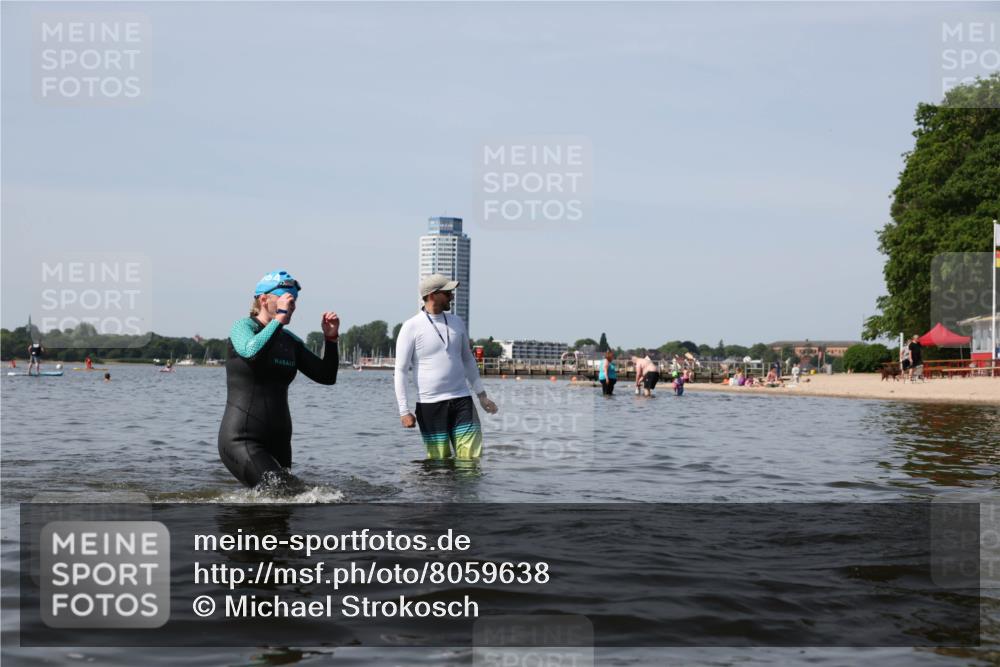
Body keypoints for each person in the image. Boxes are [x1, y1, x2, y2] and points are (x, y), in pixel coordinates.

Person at [217, 270, 340, 489]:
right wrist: (278, 321)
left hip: (280, 442)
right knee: (283, 492)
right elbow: (251, 351)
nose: (291, 306)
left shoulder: (289, 341)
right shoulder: (243, 328)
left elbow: (326, 376)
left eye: (293, 302)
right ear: (264, 300)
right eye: (286, 300)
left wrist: (330, 340)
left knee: (284, 508)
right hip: (241, 439)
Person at [394, 274, 497, 461]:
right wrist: (404, 411)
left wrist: (482, 396)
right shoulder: (411, 326)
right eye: (447, 292)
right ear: (432, 295)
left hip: (462, 400)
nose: (452, 295)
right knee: (438, 465)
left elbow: (468, 360)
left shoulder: (457, 322)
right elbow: (400, 371)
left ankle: (467, 492)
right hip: (430, 405)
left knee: (470, 460)